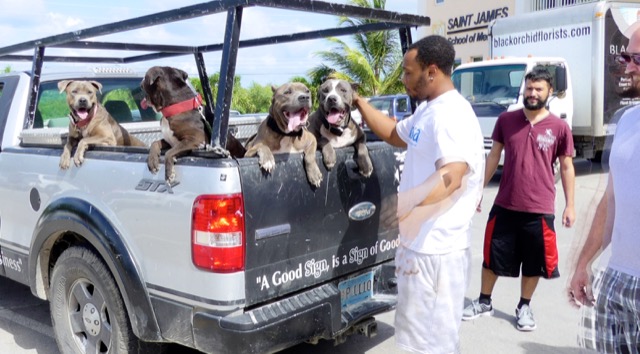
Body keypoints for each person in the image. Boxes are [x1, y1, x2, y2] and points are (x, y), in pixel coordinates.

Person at [354, 35, 484, 353]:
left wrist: (404, 203)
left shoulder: (449, 114)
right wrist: (358, 102)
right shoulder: (428, 111)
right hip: (420, 249)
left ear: (432, 71)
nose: (403, 78)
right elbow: (393, 133)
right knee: (415, 342)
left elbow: (452, 176)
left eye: (409, 72)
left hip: (437, 254)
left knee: (433, 345)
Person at [462, 66, 576, 331]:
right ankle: (484, 301)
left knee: (534, 263)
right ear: (523, 90)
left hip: (540, 208)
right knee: (492, 257)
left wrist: (570, 205)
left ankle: (524, 305)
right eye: (529, 88)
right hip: (505, 205)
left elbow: (567, 166)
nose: (533, 93)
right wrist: (478, 190)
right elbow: (493, 156)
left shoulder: (559, 127)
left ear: (550, 92)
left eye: (539, 89)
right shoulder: (506, 120)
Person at [568, 24, 640, 353]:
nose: (627, 65)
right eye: (626, 56)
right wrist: (584, 263)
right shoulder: (627, 120)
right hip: (617, 283)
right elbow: (611, 202)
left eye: (636, 58)